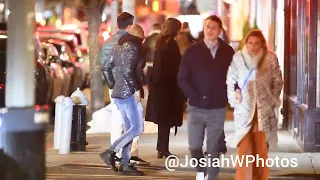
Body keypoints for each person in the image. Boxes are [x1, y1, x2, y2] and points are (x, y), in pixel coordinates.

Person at [178, 15, 235, 180]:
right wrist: (192, 95)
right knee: (194, 146)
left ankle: (212, 177)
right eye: (208, 27)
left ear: (219, 31)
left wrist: (229, 95)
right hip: (196, 107)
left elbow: (234, 75)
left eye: (214, 28)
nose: (210, 30)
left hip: (217, 107)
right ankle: (201, 169)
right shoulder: (192, 51)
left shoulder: (227, 52)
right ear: (204, 29)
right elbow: (182, 77)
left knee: (213, 147)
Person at [226, 29, 283, 180]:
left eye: (257, 43)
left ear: (262, 44)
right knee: (244, 146)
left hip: (263, 110)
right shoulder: (238, 58)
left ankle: (260, 177)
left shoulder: (270, 58)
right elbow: (230, 80)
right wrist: (234, 97)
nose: (253, 46)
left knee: (261, 147)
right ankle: (244, 177)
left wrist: (272, 99)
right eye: (250, 42)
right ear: (246, 43)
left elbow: (278, 81)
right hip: (244, 108)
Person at [99, 12, 144, 176]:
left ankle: (125, 163)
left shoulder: (118, 45)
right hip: (128, 93)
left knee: (130, 129)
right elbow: (127, 71)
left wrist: (112, 85)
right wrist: (136, 89)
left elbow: (105, 67)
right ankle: (110, 152)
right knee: (138, 128)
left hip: (118, 92)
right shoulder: (133, 47)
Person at [145, 18, 185, 158]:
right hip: (168, 88)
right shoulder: (171, 44)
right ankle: (163, 148)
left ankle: (161, 148)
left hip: (159, 87)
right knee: (166, 120)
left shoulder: (160, 42)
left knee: (163, 121)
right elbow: (174, 67)